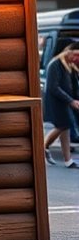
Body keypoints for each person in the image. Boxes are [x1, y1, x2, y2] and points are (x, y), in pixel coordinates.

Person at [42, 41, 79, 169]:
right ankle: (44, 147)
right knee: (63, 126)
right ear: (68, 52)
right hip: (56, 101)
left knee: (65, 127)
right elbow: (53, 87)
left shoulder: (70, 66)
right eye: (76, 55)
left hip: (64, 102)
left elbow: (74, 87)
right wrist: (71, 100)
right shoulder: (55, 64)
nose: (76, 58)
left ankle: (68, 160)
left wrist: (73, 99)